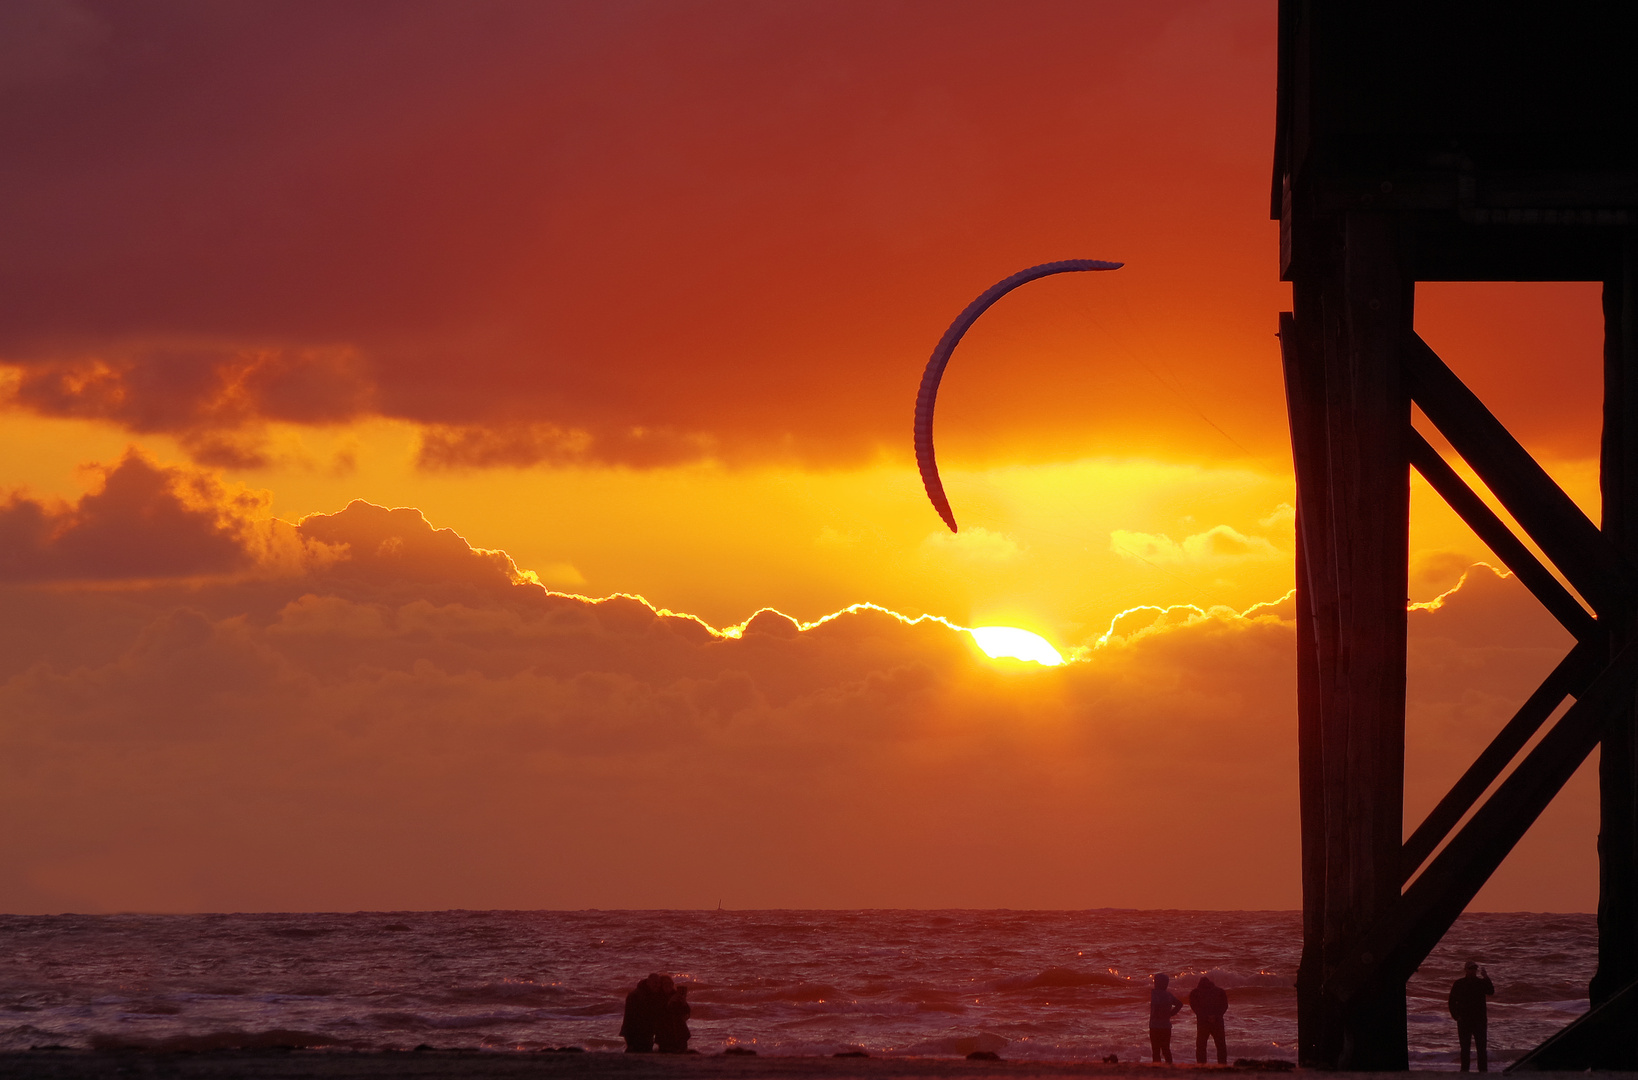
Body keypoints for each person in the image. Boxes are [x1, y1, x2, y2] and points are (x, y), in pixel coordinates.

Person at [1448, 962, 1494, 1072]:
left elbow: (1491, 991)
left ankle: (1483, 1073)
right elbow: (1451, 1001)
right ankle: (1464, 1072)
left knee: (1481, 1049)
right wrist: (1456, 1016)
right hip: (1464, 1020)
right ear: (1466, 970)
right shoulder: (1459, 983)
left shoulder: (1480, 983)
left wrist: (1486, 977)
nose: (1473, 971)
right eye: (1471, 968)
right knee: (1465, 1049)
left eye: (1475, 969)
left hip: (1480, 1020)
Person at [619, 973, 673, 1052]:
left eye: (659, 983)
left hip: (642, 1030)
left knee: (640, 1050)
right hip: (635, 1031)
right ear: (648, 982)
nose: (657, 985)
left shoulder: (648, 993)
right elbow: (636, 1016)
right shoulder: (639, 995)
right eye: (655, 983)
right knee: (637, 1050)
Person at [1189, 974, 1229, 1064]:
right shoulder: (1220, 991)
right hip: (1217, 1022)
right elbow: (1224, 1006)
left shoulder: (1195, 993)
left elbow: (1195, 1008)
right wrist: (1216, 1016)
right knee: (1220, 1045)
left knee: (1201, 1046)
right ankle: (1222, 1065)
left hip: (1203, 1022)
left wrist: (1206, 1017)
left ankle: (1201, 1065)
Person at [1148, 972, 1183, 1064]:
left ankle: (1157, 1068)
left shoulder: (1154, 994)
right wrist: (1171, 1013)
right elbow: (1180, 1004)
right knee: (1166, 1049)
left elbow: (1156, 1006)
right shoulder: (1168, 995)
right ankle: (1170, 1066)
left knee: (1156, 1050)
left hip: (1155, 1026)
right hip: (1166, 1026)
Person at [656, 983, 692, 1053]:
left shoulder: (676, 996)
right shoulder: (658, 997)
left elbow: (686, 1012)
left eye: (670, 985)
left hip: (680, 1031)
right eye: (666, 985)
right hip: (665, 1033)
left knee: (682, 1051)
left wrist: (683, 1002)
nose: (668, 987)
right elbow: (660, 1013)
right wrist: (669, 1002)